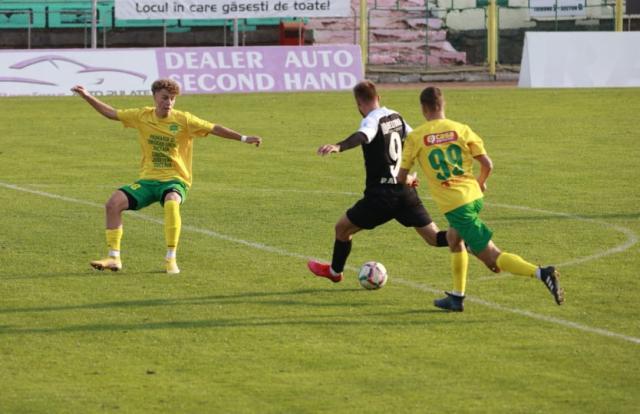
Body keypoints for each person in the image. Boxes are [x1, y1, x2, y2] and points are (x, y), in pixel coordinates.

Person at [398, 86, 564, 311]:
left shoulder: (416, 137)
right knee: (454, 239)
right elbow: (487, 164)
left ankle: (542, 273)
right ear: (442, 105)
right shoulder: (461, 129)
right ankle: (456, 298)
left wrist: (409, 181)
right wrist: (481, 182)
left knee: (493, 257)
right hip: (474, 196)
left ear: (423, 108)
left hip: (457, 205)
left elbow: (401, 177)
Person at [71, 79, 262, 274]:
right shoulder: (141, 116)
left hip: (175, 180)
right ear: (154, 97)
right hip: (148, 180)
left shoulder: (184, 120)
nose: (168, 102)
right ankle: (113, 257)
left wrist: (244, 138)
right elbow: (112, 113)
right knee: (113, 203)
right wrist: (87, 96)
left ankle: (170, 259)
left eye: (172, 98)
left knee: (172, 202)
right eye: (164, 98)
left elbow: (214, 128)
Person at [307, 80, 449, 283]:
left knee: (342, 229)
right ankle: (468, 239)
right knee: (434, 238)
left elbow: (363, 136)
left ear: (359, 104)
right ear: (378, 98)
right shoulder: (396, 116)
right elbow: (415, 138)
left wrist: (339, 146)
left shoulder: (371, 120)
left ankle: (334, 272)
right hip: (405, 191)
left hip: (381, 196)